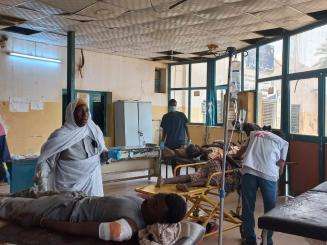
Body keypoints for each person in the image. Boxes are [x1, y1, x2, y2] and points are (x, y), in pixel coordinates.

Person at [0, 189, 187, 243]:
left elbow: (78, 228)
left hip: (62, 210)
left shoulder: (128, 226)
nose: (151, 200)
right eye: (156, 197)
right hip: (73, 195)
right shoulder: (142, 205)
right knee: (22, 194)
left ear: (160, 219)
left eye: (155, 205)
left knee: (9, 206)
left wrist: (42, 221)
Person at [34, 99, 108, 197]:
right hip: (67, 192)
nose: (85, 115)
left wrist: (104, 156)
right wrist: (43, 190)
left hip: (93, 189)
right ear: (71, 114)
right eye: (80, 111)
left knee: (92, 212)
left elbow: (101, 153)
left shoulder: (94, 131)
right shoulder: (60, 136)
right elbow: (46, 162)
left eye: (86, 111)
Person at [237, 127, 289, 245]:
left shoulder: (255, 134)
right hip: (269, 174)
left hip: (249, 171)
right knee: (270, 209)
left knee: (248, 207)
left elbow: (241, 151)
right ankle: (267, 240)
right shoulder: (283, 142)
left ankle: (250, 240)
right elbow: (281, 167)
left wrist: (237, 156)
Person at [161, 99, 191, 175]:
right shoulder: (166, 117)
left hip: (179, 142)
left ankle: (177, 175)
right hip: (171, 143)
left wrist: (189, 138)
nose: (173, 107)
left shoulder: (181, 115)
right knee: (174, 161)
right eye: (172, 105)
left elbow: (186, 127)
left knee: (179, 160)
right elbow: (164, 130)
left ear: (176, 105)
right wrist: (162, 141)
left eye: (174, 105)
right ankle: (176, 176)